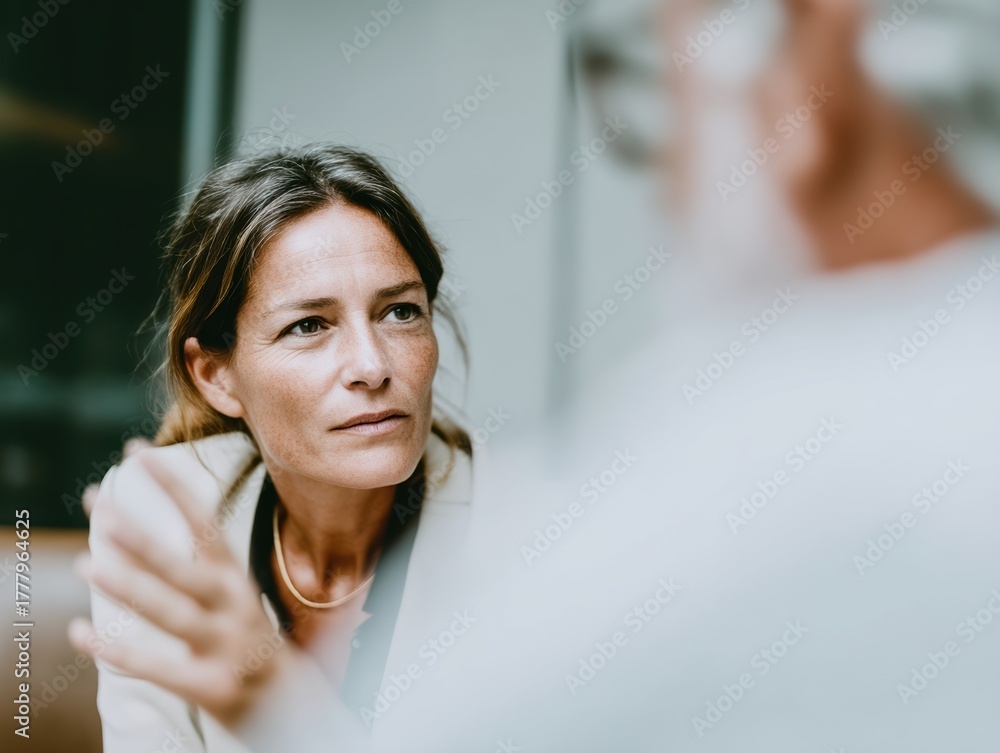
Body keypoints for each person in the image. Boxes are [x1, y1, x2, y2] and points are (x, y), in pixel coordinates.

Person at [67, 144, 481, 752]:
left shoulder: (528, 537)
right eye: (308, 325)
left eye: (400, 312)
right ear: (215, 375)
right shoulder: (156, 513)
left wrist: (281, 710)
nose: (372, 365)